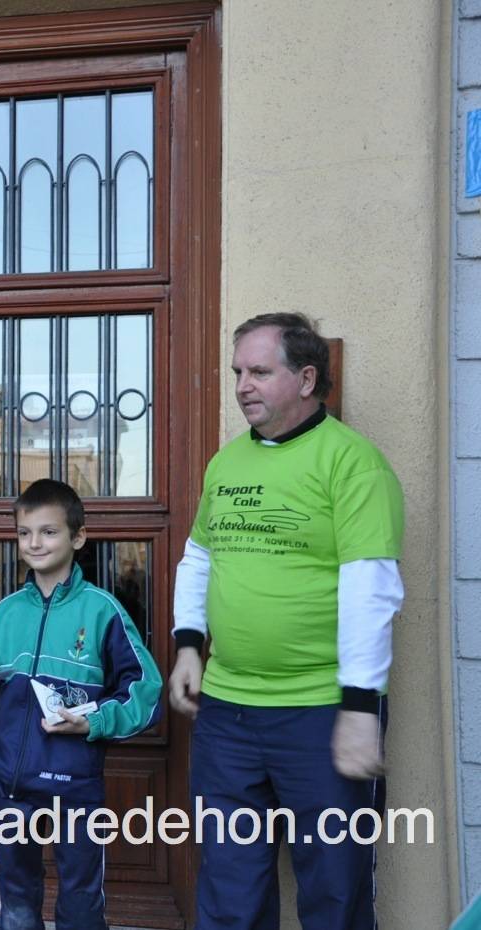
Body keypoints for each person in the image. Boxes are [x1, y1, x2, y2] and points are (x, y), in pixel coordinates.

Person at [168, 312, 405, 929]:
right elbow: (200, 558)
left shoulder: (354, 465)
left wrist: (358, 707)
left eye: (259, 372)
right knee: (228, 892)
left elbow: (370, 590)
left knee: (334, 889)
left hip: (319, 712)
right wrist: (190, 645)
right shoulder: (227, 464)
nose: (243, 384)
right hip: (228, 713)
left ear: (305, 378)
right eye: (238, 371)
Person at [0, 479, 160, 930]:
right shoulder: (6, 610)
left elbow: (145, 691)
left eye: (49, 532)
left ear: (78, 537)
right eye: (25, 532)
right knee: (17, 892)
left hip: (74, 779)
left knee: (81, 893)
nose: (35, 542)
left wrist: (94, 722)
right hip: (8, 780)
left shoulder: (102, 609)